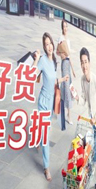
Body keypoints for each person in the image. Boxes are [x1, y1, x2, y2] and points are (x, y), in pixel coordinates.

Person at [34, 33, 59, 181]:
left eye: (50, 43)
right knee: (46, 136)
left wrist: (62, 81)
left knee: (46, 130)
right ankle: (46, 167)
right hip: (43, 102)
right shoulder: (43, 60)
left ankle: (38, 140)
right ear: (44, 47)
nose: (49, 47)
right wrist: (36, 59)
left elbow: (53, 80)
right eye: (46, 44)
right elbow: (32, 75)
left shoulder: (53, 60)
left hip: (50, 102)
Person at [78, 48, 96, 164]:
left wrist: (95, 118)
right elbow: (83, 100)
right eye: (82, 62)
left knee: (94, 148)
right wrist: (76, 97)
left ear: (89, 63)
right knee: (89, 146)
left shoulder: (95, 80)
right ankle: (89, 166)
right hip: (89, 118)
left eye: (86, 62)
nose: (84, 66)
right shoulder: (82, 79)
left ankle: (92, 167)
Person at [56, 40, 73, 131]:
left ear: (63, 53)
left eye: (61, 53)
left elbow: (66, 74)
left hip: (66, 83)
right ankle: (67, 115)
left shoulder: (65, 62)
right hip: (65, 82)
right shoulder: (65, 60)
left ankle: (69, 116)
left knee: (67, 98)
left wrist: (66, 85)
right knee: (65, 98)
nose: (60, 55)